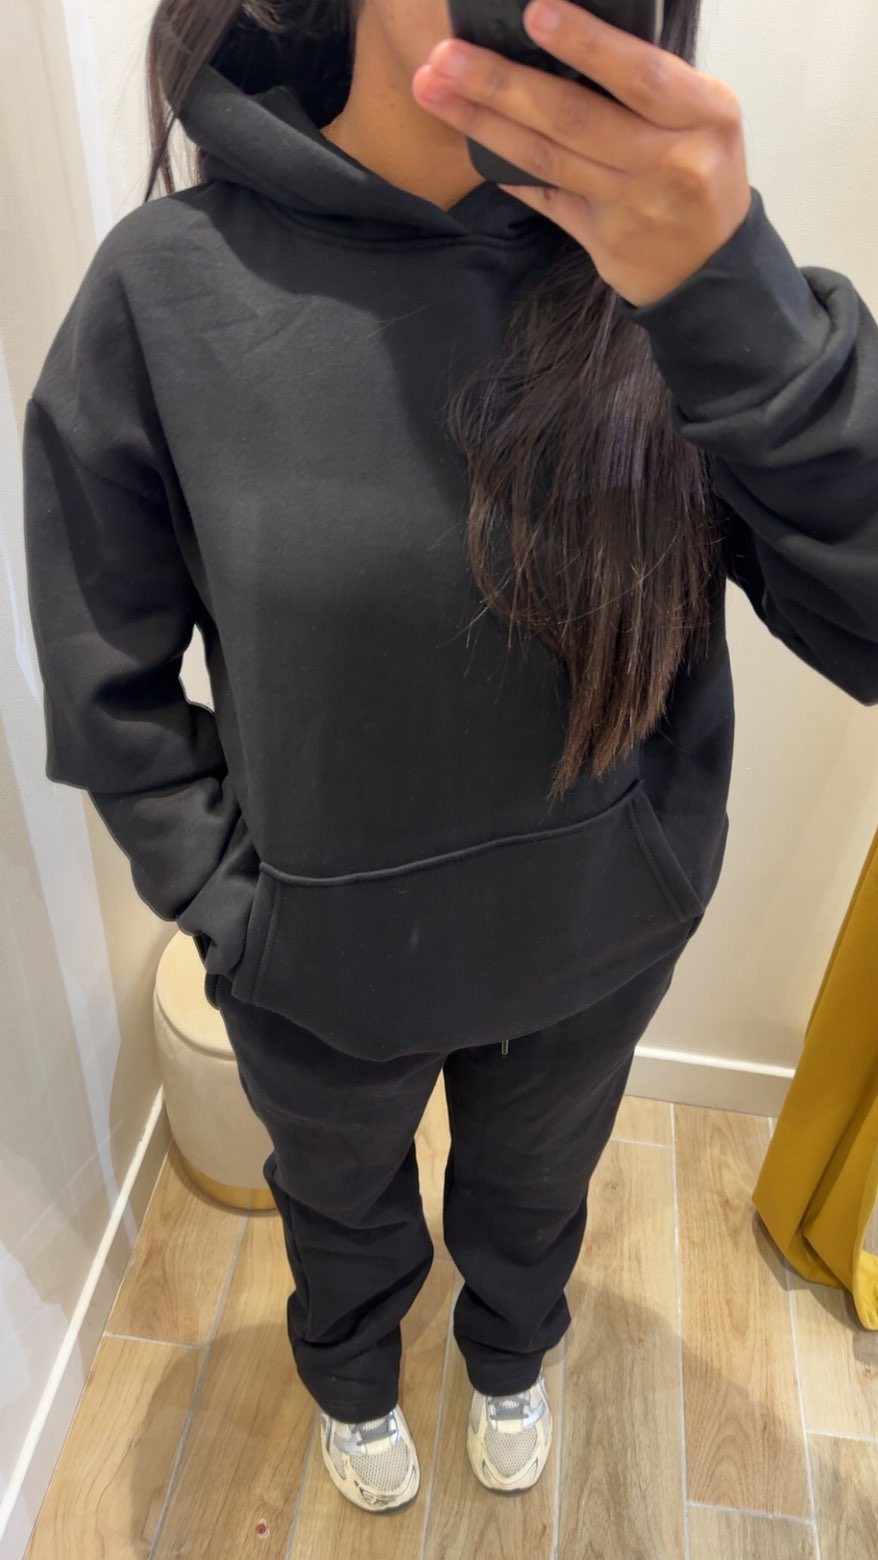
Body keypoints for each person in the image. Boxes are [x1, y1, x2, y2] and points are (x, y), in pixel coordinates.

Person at [21, 0, 878, 1519]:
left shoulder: (670, 282)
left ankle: (507, 1355)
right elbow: (108, 678)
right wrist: (239, 909)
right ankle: (352, 1382)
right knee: (339, 1211)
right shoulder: (164, 291)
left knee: (534, 1195)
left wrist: (736, 300)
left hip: (595, 938)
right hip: (316, 973)